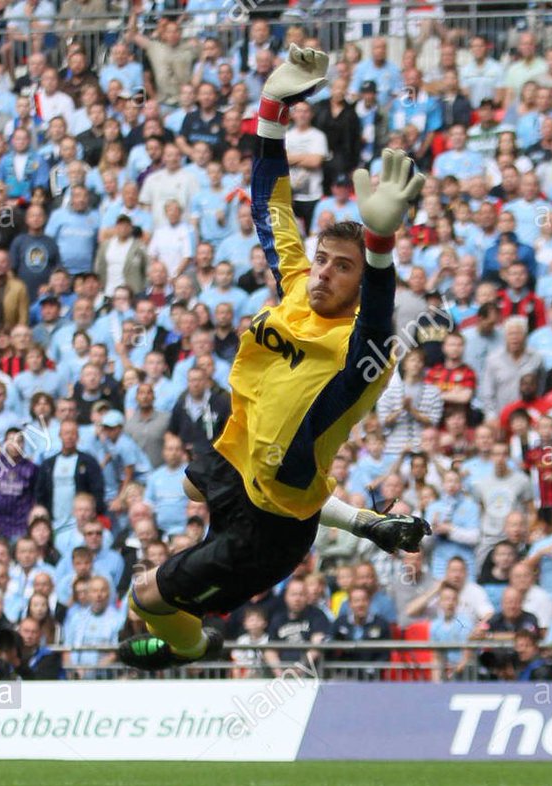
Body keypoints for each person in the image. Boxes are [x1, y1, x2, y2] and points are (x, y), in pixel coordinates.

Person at [117, 47, 429, 670]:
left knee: (145, 595)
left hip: (270, 533)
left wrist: (380, 248)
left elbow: (374, 324)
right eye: (322, 260)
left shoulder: (360, 350)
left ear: (361, 284)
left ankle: (194, 646)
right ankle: (355, 524)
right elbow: (271, 208)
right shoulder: (296, 287)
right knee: (187, 482)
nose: (322, 275)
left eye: (342, 269)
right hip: (239, 459)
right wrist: (271, 114)